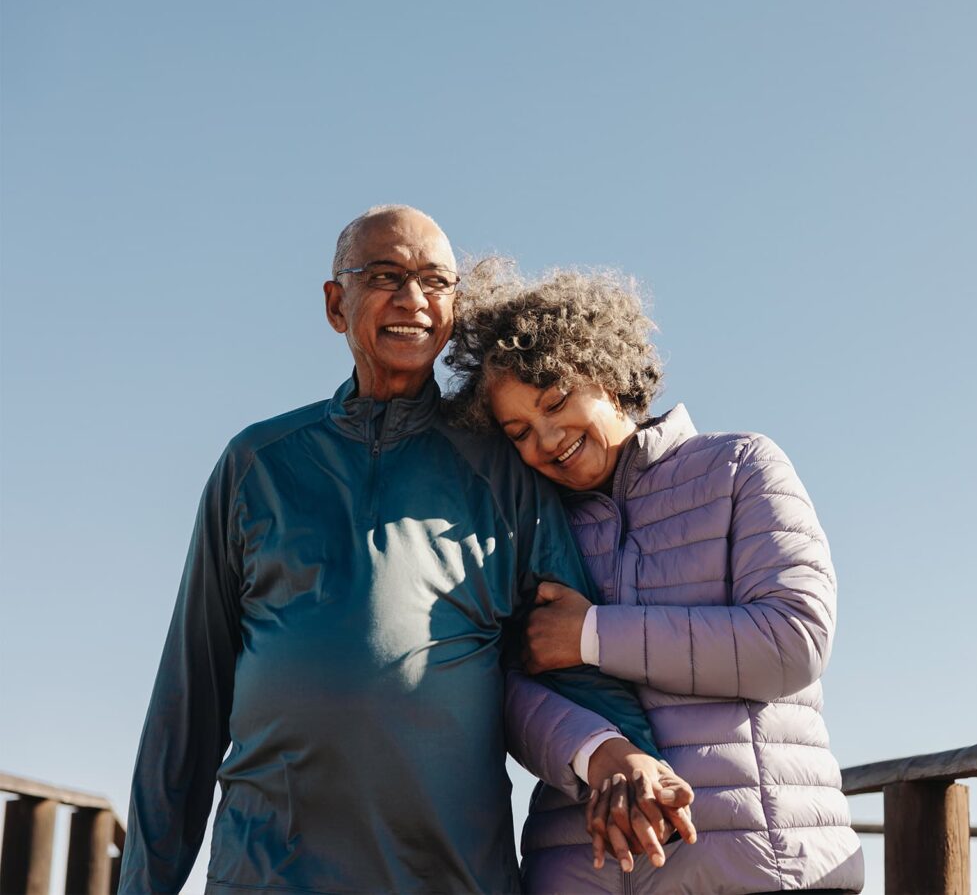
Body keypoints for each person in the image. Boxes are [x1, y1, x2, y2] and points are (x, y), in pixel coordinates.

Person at [119, 206, 693, 895]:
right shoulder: (257, 465)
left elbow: (574, 669)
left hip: (452, 878)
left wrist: (631, 758)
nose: (413, 300)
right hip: (264, 876)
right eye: (386, 275)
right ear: (337, 304)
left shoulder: (504, 471)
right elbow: (187, 707)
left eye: (434, 280)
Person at [446, 261, 865, 894]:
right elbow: (504, 689)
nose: (547, 440)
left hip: (757, 865)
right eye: (519, 432)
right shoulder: (523, 530)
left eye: (556, 402)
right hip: (580, 869)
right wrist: (601, 753)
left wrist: (590, 636)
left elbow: (794, 641)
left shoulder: (739, 466)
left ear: (607, 373)